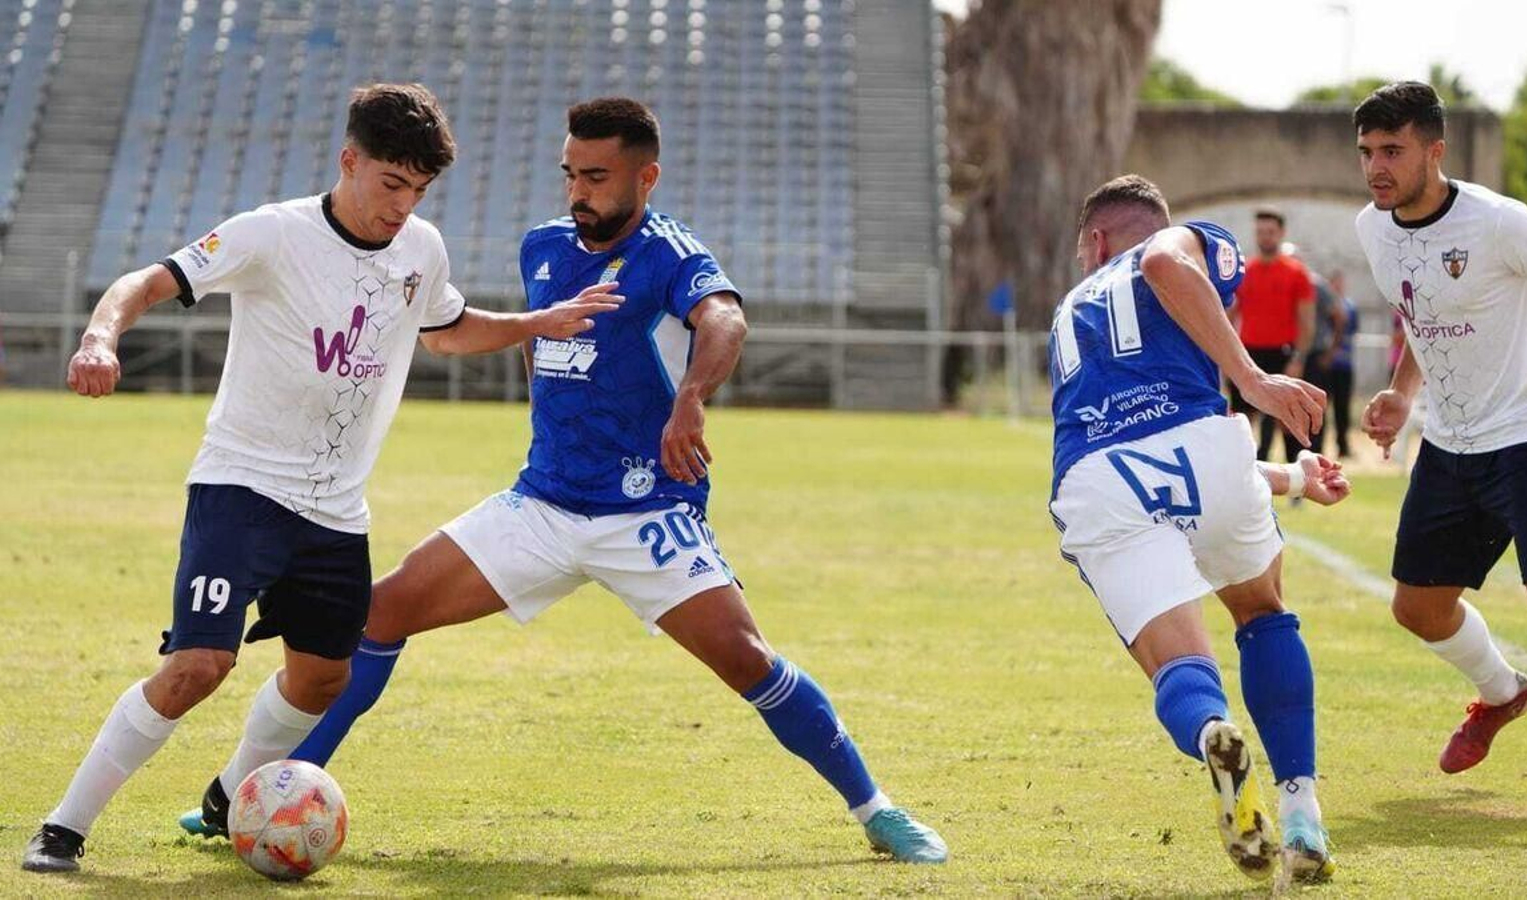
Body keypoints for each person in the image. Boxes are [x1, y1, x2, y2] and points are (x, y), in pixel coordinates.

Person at [176, 97, 948, 864]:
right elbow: (538, 343)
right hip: (541, 504)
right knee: (376, 616)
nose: (579, 192)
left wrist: (689, 401)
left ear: (646, 178)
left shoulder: (672, 254)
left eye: (598, 177)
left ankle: (877, 811)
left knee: (748, 659)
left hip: (643, 512)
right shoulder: (543, 246)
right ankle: (257, 794)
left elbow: (724, 321)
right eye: (571, 174)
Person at [21, 83, 623, 875]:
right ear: (350, 161)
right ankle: (62, 828)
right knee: (200, 666)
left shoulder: (421, 250)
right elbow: (150, 280)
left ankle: (232, 793)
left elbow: (445, 332)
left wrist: (536, 323)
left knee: (324, 677)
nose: (402, 207)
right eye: (390, 184)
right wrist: (100, 337)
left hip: (336, 510)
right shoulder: (273, 234)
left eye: (418, 191)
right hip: (243, 487)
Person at [1050, 174, 1346, 883]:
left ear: (1094, 241)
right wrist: (1253, 381)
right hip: (1207, 451)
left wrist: (1260, 407)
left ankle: (1213, 732)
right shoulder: (1188, 244)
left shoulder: (1070, 306)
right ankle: (1302, 812)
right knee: (1262, 611)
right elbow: (1163, 260)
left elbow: (1142, 457)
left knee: (1179, 665)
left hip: (1096, 477)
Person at [1355, 81, 1527, 775]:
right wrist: (1403, 394)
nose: (1377, 166)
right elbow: (1419, 314)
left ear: (1435, 150)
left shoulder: (1501, 222)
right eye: (1368, 151)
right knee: (1419, 608)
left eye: (1393, 150)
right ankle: (1504, 693)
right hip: (1449, 443)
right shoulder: (1371, 228)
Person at [1229, 209, 1316, 462]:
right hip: (1248, 354)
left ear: (1280, 233)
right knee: (1242, 420)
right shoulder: (1243, 271)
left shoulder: (1297, 273)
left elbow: (1307, 322)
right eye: (1260, 232)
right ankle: (1243, 472)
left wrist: (1298, 359)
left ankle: (1299, 477)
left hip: (1283, 353)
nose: (1265, 237)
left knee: (1288, 419)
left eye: (1270, 232)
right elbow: (1229, 315)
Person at [1304, 271, 1352, 458]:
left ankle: (1316, 450)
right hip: (1290, 351)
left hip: (1316, 354)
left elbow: (1339, 317)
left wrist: (1331, 352)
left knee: (1316, 403)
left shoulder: (1316, 285)